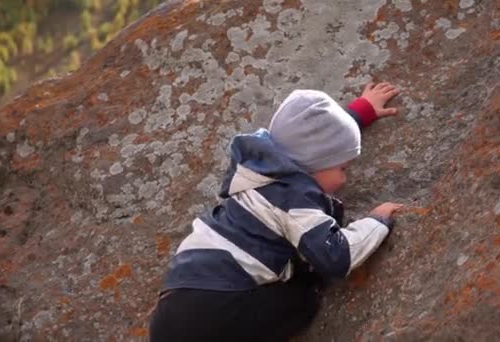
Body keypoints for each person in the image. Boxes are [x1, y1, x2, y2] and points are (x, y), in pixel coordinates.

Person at [149, 82, 406, 341]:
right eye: (343, 168)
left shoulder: (258, 168)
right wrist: (377, 221)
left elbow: (310, 141)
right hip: (216, 310)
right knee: (304, 297)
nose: (344, 179)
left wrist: (360, 112)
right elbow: (336, 256)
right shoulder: (293, 199)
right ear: (315, 165)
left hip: (174, 303)